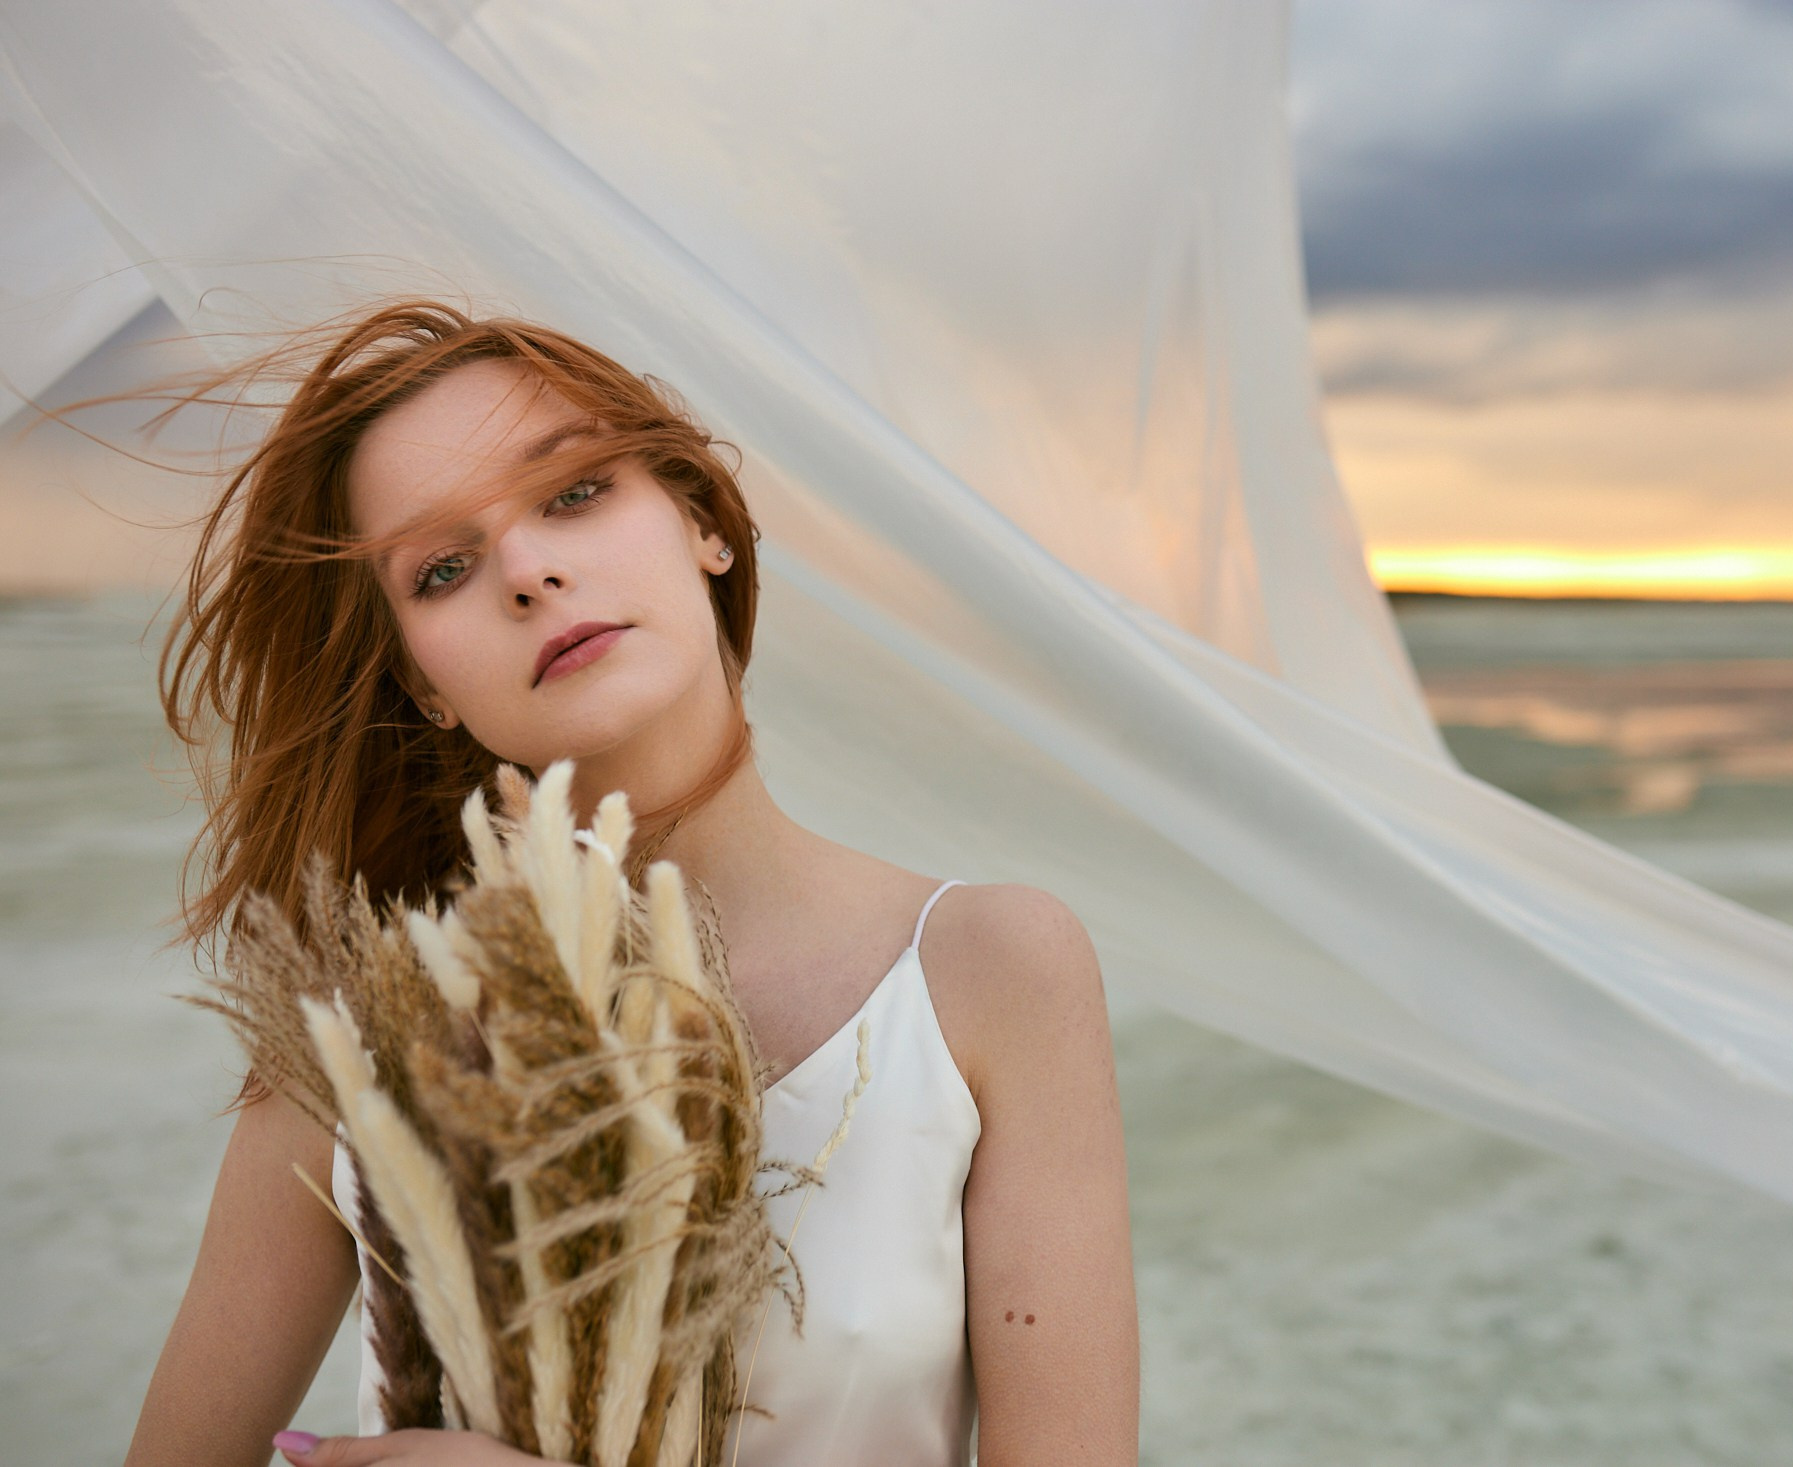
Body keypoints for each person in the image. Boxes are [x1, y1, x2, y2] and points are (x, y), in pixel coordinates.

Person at [116, 300, 1140, 1467]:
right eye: (443, 568)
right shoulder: (362, 1039)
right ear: (421, 682)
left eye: (574, 493)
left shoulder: (990, 971)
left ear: (703, 521)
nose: (528, 569)